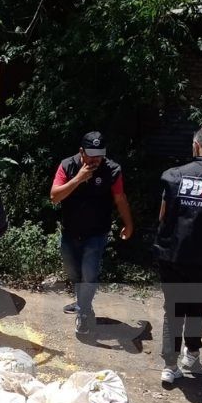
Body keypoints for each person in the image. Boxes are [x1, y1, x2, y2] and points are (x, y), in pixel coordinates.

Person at [156, 124, 202, 386]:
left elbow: (163, 216)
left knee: (172, 309)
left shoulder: (173, 176)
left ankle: (169, 366)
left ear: (196, 145)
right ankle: (192, 353)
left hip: (172, 255)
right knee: (198, 307)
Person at [49, 131, 134, 335]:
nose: (96, 159)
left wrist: (128, 224)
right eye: (91, 155)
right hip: (70, 232)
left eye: (100, 155)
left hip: (97, 232)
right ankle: (81, 302)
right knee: (74, 272)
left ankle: (85, 313)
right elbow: (54, 197)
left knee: (89, 274)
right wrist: (78, 179)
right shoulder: (67, 165)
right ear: (81, 152)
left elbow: (120, 198)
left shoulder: (112, 169)